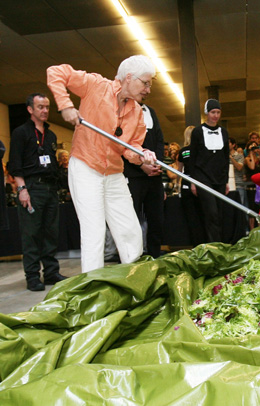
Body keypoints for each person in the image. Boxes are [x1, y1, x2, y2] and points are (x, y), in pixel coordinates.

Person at [47, 56, 157, 273]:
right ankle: (93, 287)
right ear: (128, 78)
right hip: (86, 167)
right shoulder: (95, 85)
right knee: (94, 231)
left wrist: (142, 154)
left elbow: (130, 147)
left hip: (114, 173)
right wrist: (66, 106)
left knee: (130, 230)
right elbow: (56, 72)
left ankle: (134, 279)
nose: (148, 89)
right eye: (145, 83)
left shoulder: (137, 112)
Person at [7, 94, 66, 290]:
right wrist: (22, 189)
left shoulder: (50, 136)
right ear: (30, 109)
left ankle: (50, 272)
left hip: (50, 188)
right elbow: (15, 164)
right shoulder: (21, 133)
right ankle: (32, 276)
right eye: (40, 107)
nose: (45, 111)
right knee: (31, 234)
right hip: (31, 188)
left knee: (50, 232)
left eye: (47, 107)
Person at [123, 103, 165, 258]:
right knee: (132, 219)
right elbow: (122, 144)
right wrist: (141, 165)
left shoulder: (151, 111)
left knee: (156, 219)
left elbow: (160, 140)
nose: (146, 89)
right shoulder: (123, 109)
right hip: (134, 175)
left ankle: (154, 255)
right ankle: (133, 257)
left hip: (154, 175)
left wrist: (156, 163)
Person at [189, 99, 230, 242]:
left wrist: (225, 181)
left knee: (219, 213)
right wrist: (192, 182)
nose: (216, 115)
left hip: (219, 178)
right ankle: (214, 246)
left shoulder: (224, 132)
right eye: (213, 112)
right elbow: (192, 158)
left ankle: (219, 244)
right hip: (202, 178)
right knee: (211, 212)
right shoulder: (197, 132)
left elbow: (226, 158)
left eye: (218, 112)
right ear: (207, 113)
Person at [178, 125, 206, 246]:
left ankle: (195, 244)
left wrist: (177, 185)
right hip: (200, 182)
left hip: (186, 183)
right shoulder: (201, 150)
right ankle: (203, 242)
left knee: (191, 217)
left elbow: (179, 171)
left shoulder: (183, 151)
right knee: (202, 214)